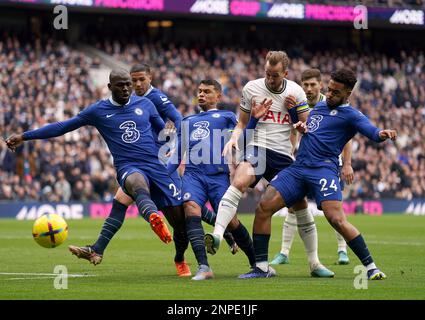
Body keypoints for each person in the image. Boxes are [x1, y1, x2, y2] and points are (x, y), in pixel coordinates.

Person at [5, 69, 189, 274]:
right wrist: (24, 136)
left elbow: (162, 131)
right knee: (136, 184)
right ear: (110, 87)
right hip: (128, 167)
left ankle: (176, 256)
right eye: (121, 85)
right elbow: (62, 127)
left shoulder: (146, 104)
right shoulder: (98, 111)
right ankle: (153, 216)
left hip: (157, 166)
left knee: (180, 224)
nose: (127, 88)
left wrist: (170, 150)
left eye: (129, 84)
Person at [65, 64, 237, 278]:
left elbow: (178, 120)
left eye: (140, 80)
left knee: (186, 214)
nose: (136, 85)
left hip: (161, 165)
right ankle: (98, 249)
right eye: (132, 81)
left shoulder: (154, 98)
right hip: (138, 166)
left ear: (150, 78)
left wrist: (175, 147)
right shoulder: (129, 100)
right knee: (122, 201)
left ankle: (192, 251)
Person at [239, 68, 396, 279]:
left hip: (324, 170)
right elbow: (313, 130)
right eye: (329, 89)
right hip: (298, 168)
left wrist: (381, 134)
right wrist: (302, 127)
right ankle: (262, 268)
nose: (329, 94)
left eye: (336, 92)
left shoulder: (352, 115)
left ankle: (371, 268)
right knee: (263, 207)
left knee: (336, 219)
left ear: (348, 94)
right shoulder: (320, 106)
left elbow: (371, 131)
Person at [205, 51, 334, 278]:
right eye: (267, 74)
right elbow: (242, 124)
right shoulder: (251, 89)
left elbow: (308, 126)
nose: (270, 79)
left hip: (284, 156)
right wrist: (235, 137)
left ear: (285, 73)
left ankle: (315, 264)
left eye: (275, 76)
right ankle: (217, 234)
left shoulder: (296, 91)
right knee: (240, 180)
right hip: (258, 149)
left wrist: (295, 113)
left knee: (300, 205)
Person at [167, 79, 270, 280]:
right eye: (199, 91)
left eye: (207, 91)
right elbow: (177, 154)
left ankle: (256, 264)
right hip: (193, 175)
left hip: (218, 176)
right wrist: (161, 175)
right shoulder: (186, 122)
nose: (202, 94)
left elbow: (243, 139)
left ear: (218, 96)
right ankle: (204, 267)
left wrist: (254, 121)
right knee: (191, 208)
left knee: (231, 222)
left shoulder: (227, 117)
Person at [270, 68, 352, 266]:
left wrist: (347, 163)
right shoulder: (299, 103)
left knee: (333, 208)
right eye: (305, 85)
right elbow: (292, 130)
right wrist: (289, 153)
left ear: (321, 85)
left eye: (313, 84)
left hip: (327, 164)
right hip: (303, 162)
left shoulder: (333, 104)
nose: (308, 88)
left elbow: (347, 137)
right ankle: (284, 252)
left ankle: (342, 250)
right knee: (294, 204)